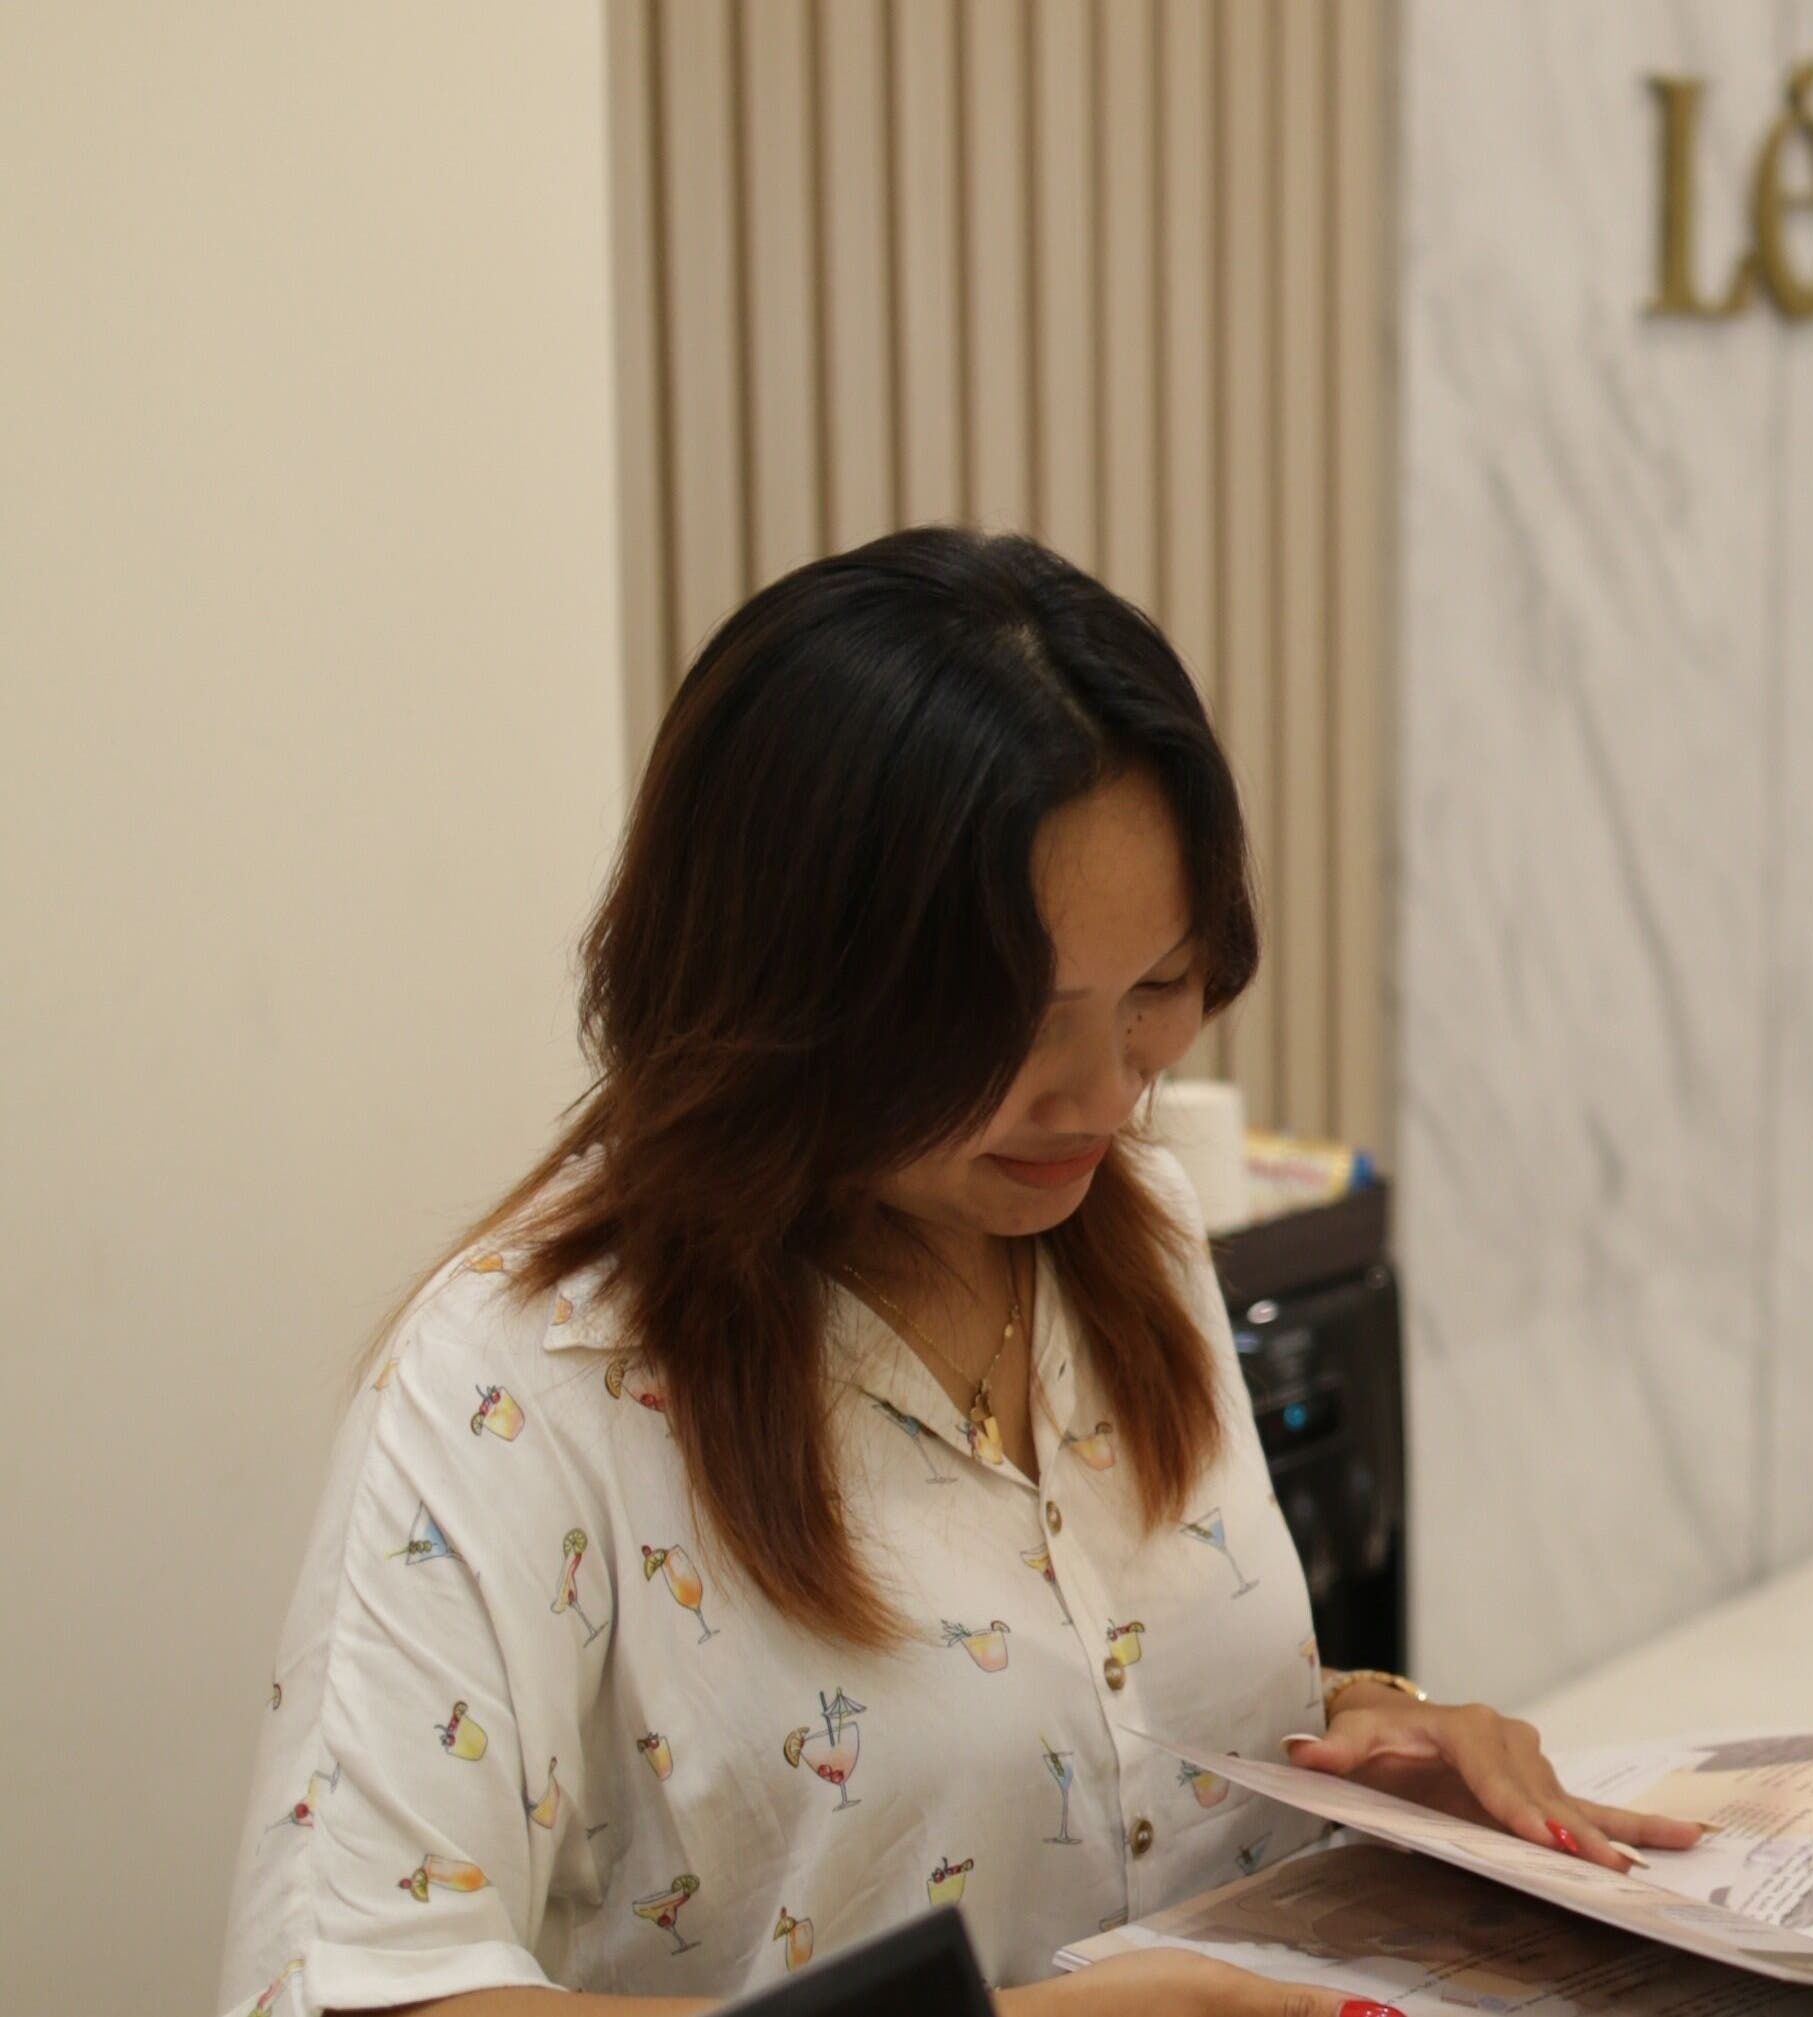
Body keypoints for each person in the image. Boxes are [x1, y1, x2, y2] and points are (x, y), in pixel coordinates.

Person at [217, 530, 1696, 2017]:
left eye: (1160, 993)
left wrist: (1365, 1734)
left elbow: (1076, 1731)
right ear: (788, 985)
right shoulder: (520, 1387)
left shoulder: (1138, 1233)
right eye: (1018, 1019)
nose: (1104, 1092)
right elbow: (358, 1990)